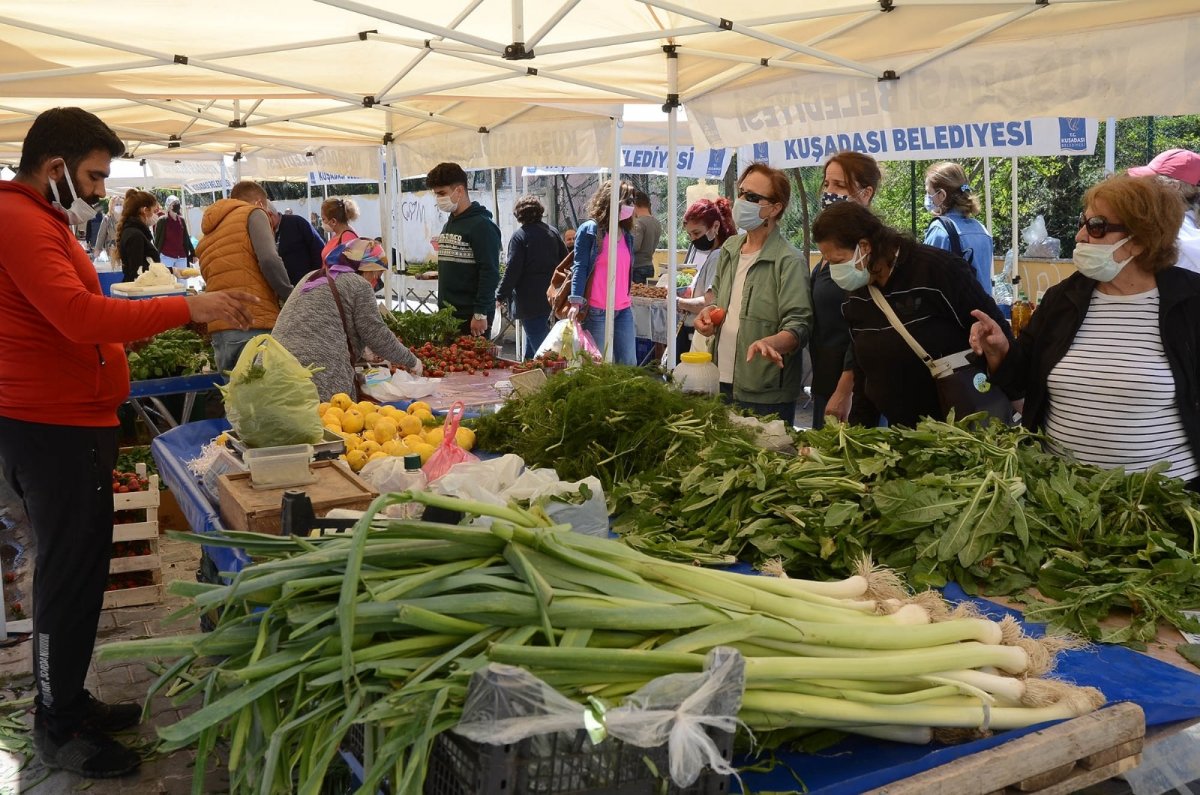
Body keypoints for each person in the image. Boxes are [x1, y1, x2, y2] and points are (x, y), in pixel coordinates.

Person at [0, 106, 256, 779]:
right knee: (66, 575)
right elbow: (79, 317)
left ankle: (71, 698)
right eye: (91, 175)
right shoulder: (20, 221)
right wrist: (188, 305)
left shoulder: (42, 222)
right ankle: (56, 725)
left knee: (82, 572)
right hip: (49, 427)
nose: (97, 189)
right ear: (54, 168)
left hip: (70, 421)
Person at [970, 174, 1200, 485]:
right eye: (1084, 221)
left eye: (1096, 226)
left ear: (1141, 240)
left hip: (1162, 502)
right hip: (1064, 496)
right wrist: (1000, 351)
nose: (1080, 236)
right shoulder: (1062, 298)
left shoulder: (1190, 302)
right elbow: (1022, 379)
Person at [812, 200, 1009, 428]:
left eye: (837, 261)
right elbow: (864, 368)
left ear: (864, 247)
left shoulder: (938, 270)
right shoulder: (856, 298)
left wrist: (1018, 398)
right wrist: (858, 433)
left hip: (958, 429)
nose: (835, 272)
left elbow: (996, 331)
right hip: (900, 433)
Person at [693, 163, 812, 424]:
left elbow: (799, 327)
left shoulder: (788, 261)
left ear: (775, 208)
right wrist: (707, 316)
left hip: (765, 391)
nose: (742, 201)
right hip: (719, 379)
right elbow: (721, 305)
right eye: (742, 192)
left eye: (753, 197)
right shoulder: (730, 249)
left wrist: (771, 343)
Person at [273, 238, 421, 401]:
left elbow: (324, 322)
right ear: (366, 269)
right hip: (315, 377)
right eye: (376, 275)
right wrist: (411, 361)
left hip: (274, 367)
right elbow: (377, 335)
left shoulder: (312, 277)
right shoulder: (358, 285)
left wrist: (362, 348)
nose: (376, 282)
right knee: (329, 420)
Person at [809, 151, 881, 428]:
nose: (829, 192)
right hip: (825, 380)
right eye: (827, 184)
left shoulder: (866, 252)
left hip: (856, 391)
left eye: (839, 186)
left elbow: (865, 327)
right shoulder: (832, 245)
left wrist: (845, 390)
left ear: (865, 193)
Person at [196, 180, 293, 371]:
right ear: (259, 202)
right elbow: (269, 259)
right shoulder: (254, 213)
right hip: (253, 322)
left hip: (221, 329)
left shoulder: (210, 232)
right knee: (265, 395)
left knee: (234, 396)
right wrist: (290, 296)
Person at [427, 162, 501, 337]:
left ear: (459, 191)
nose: (438, 199)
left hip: (471, 317)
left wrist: (480, 313)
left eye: (442, 193)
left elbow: (489, 271)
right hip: (448, 315)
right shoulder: (449, 223)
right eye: (436, 194)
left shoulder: (482, 226)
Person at [570, 180, 638, 365]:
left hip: (623, 309)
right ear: (612, 201)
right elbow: (580, 266)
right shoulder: (590, 230)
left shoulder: (627, 235)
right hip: (596, 310)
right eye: (628, 201)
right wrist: (575, 301)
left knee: (629, 364)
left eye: (633, 201)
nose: (631, 206)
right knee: (598, 365)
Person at [496, 195, 567, 360]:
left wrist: (500, 294)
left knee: (543, 351)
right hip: (552, 295)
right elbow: (565, 261)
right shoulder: (552, 232)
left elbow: (512, 270)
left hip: (529, 299)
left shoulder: (519, 236)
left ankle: (551, 379)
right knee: (535, 343)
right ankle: (526, 374)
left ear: (518, 215)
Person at [673, 197, 735, 361]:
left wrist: (676, 302)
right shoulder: (716, 254)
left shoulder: (717, 255)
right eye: (690, 235)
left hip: (698, 335)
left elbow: (708, 302)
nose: (693, 239)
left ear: (715, 226)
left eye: (697, 233)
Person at [923, 161, 995, 295]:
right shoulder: (982, 230)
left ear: (942, 195)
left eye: (929, 192)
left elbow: (928, 280)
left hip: (953, 313)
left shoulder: (940, 230)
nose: (928, 198)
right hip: (983, 312)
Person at [1128, 148, 1200, 273]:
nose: (1142, 186)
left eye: (1150, 181)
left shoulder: (1169, 235)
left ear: (1173, 187)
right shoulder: (1188, 228)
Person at [115, 189, 161, 282]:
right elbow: (138, 271)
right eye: (154, 211)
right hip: (138, 290)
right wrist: (170, 271)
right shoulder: (135, 235)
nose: (155, 215)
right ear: (145, 210)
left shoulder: (134, 232)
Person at [274, 205, 325, 285]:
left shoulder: (297, 222)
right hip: (284, 288)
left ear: (270, 215)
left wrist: (314, 279)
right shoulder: (268, 231)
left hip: (306, 285)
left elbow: (319, 248)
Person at [153, 197, 195, 269]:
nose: (177, 205)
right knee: (167, 279)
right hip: (166, 256)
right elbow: (157, 239)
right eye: (174, 203)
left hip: (181, 256)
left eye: (178, 203)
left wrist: (193, 253)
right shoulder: (162, 221)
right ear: (169, 206)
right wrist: (154, 255)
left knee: (182, 279)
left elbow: (186, 238)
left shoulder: (181, 220)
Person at [630, 190, 661, 285]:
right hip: (649, 266)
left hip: (637, 269)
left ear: (634, 205)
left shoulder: (639, 223)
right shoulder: (656, 223)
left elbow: (635, 246)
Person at [320, 197, 359, 261]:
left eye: (324, 219)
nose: (322, 222)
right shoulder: (338, 235)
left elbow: (348, 265)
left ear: (333, 221)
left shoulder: (348, 237)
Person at [93, 197, 121, 262]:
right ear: (111, 205)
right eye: (117, 204)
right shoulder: (107, 219)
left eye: (120, 204)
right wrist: (97, 250)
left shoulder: (126, 219)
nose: (119, 206)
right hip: (111, 249)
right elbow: (101, 235)